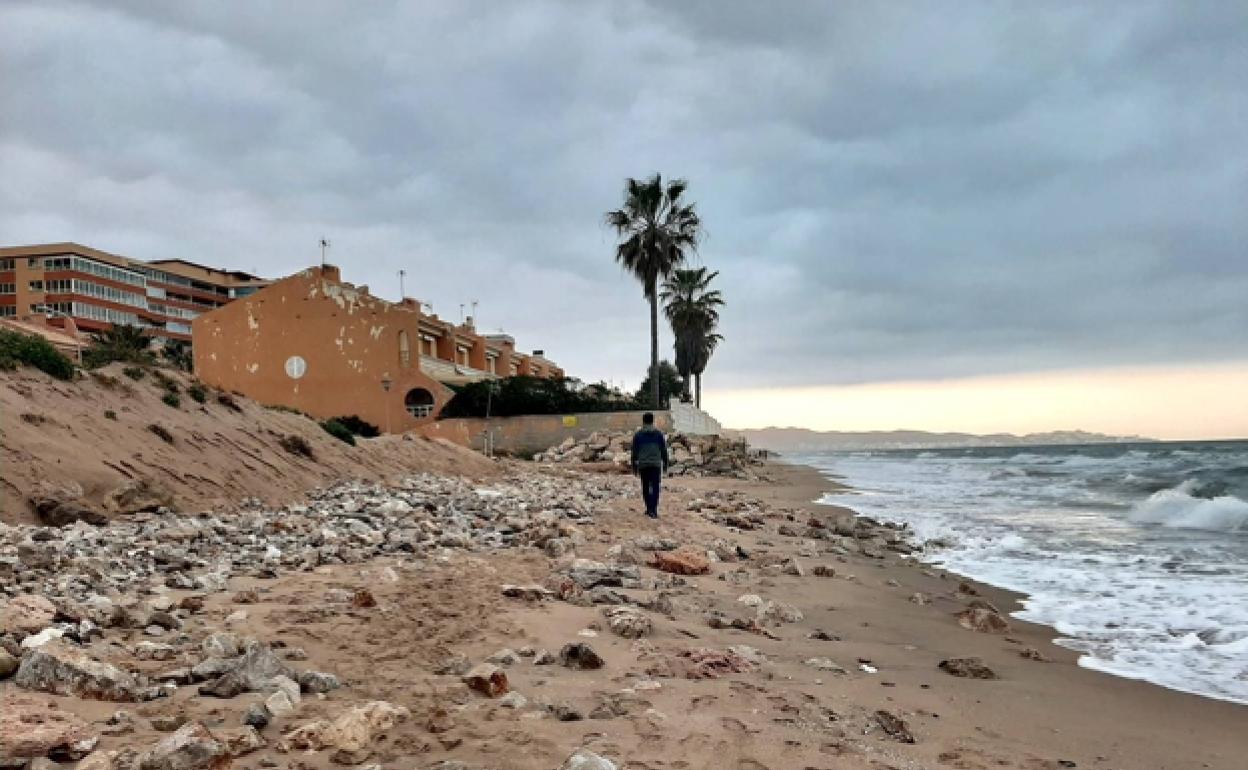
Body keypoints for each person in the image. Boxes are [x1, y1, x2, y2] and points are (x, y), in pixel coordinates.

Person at [630, 412, 669, 519]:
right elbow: (664, 450)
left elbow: (634, 452)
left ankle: (648, 508)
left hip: (643, 464)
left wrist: (634, 465)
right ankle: (654, 510)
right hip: (656, 464)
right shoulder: (658, 434)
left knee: (645, 486)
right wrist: (665, 463)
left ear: (643, 421)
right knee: (655, 487)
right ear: (653, 421)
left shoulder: (638, 435)